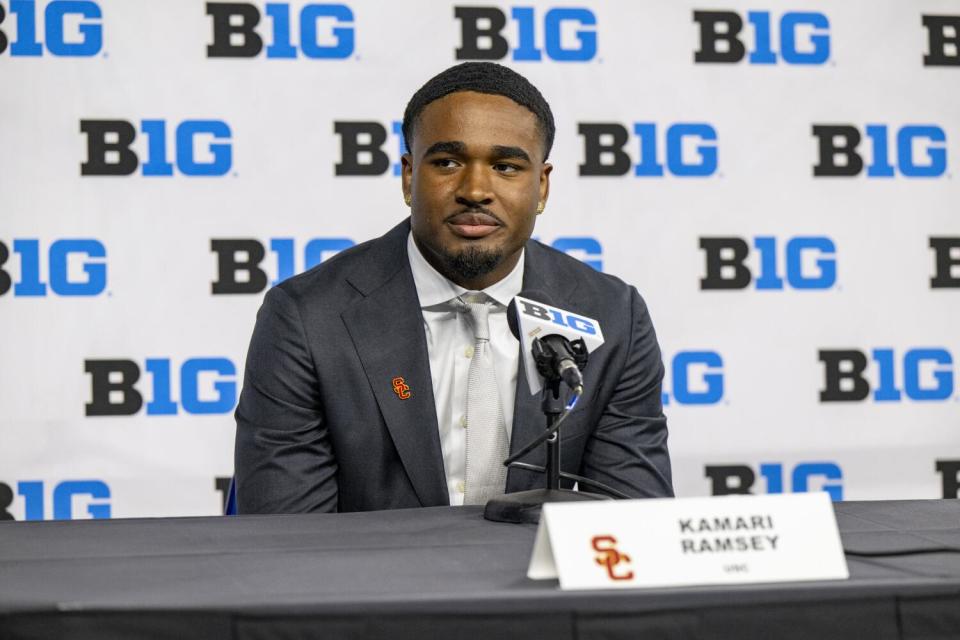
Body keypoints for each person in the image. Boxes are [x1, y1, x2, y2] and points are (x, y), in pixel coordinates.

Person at [234, 62, 673, 514]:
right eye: (447, 162)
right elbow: (286, 543)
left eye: (506, 166)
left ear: (541, 187)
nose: (476, 190)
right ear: (409, 176)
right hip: (374, 584)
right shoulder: (308, 318)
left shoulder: (613, 315)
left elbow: (636, 530)